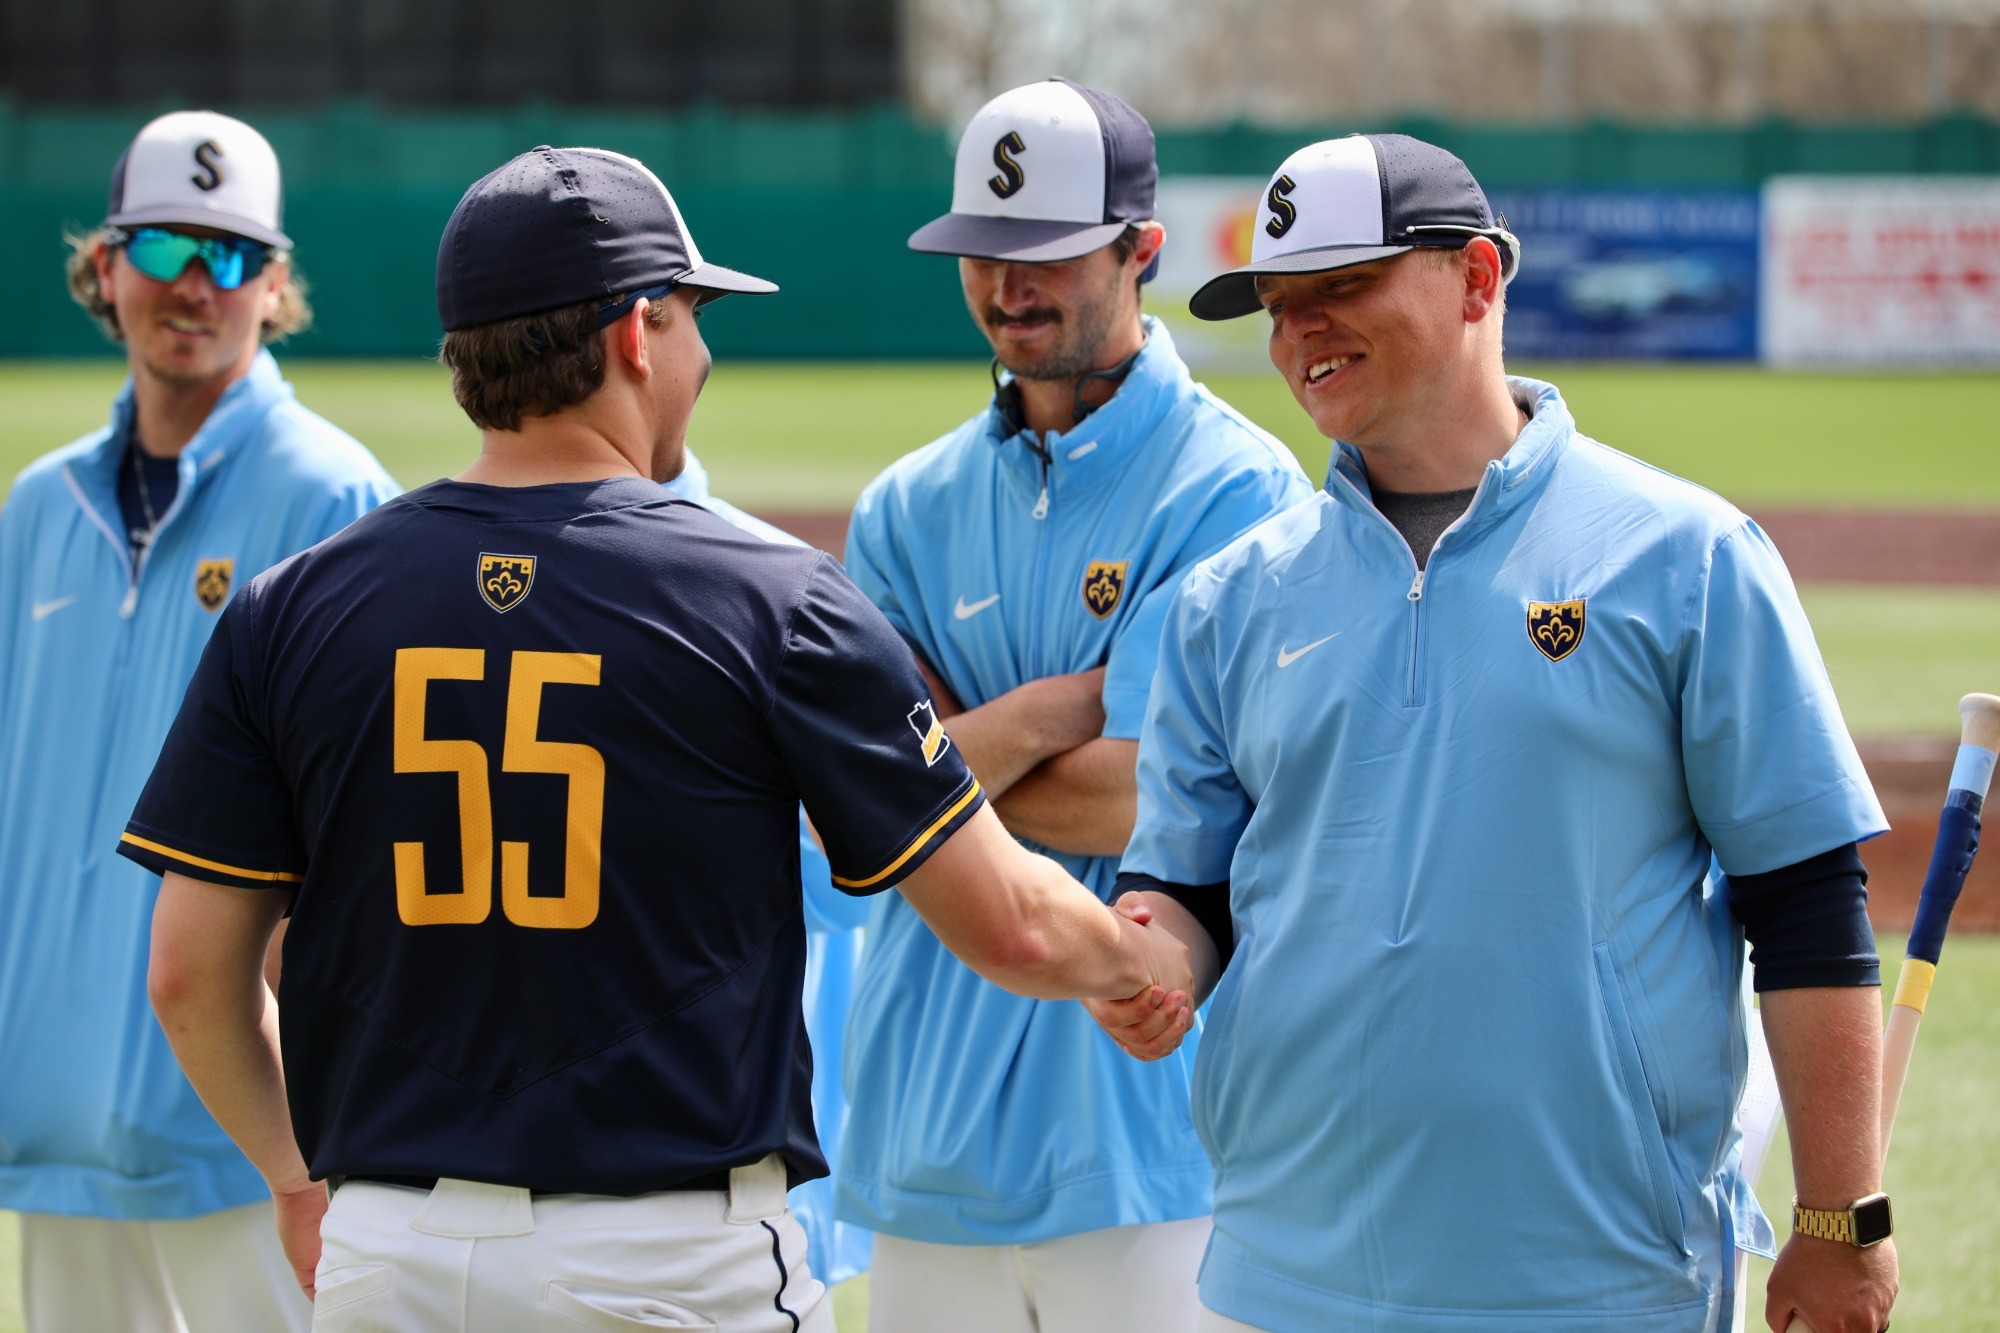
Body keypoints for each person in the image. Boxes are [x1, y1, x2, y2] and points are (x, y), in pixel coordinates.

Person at [123, 145, 1192, 1333]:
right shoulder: (775, 598)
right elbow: (1007, 920)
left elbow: (186, 973)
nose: (703, 352)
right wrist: (1132, 968)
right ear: (637, 334)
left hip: (390, 1252)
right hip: (667, 1260)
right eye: (691, 319)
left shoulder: (288, 607)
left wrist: (291, 1171)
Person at [1088, 134, 1900, 1333]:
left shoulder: (1684, 556)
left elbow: (1803, 902)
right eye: (1277, 306)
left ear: (1475, 279)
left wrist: (1841, 1221)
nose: (1300, 333)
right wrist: (1147, 963)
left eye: (1342, 288)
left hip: (1597, 1279)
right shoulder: (1231, 598)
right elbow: (1184, 890)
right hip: (1281, 1272)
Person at [837, 78, 1311, 1333]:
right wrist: (1064, 707)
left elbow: (1152, 801)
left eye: (1044, 250)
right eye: (982, 253)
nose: (1007, 286)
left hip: (1150, 1135)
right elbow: (855, 811)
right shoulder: (901, 506)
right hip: (922, 1136)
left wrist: (947, 755)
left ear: (1139, 248)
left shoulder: (1235, 488)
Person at [0, 109, 398, 1331]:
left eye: (226, 256)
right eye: (164, 247)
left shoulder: (336, 494)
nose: (192, 285)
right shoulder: (35, 507)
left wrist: (307, 1142)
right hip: (52, 1126)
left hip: (247, 1138)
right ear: (105, 265)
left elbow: (361, 842)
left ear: (273, 284)